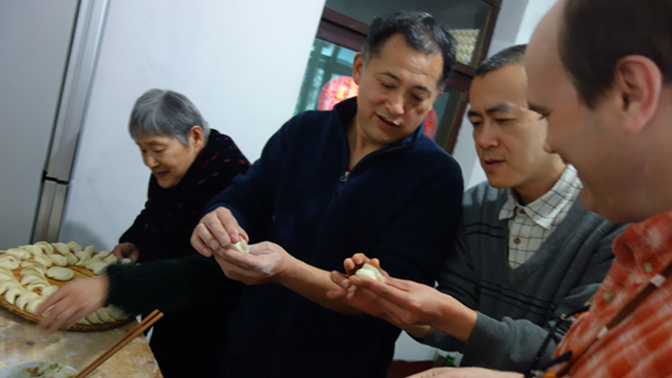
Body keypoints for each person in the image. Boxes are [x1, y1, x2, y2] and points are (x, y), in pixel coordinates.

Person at [39, 11, 464, 378]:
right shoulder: (304, 133)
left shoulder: (435, 178)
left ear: (437, 97)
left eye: (417, 97)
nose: (396, 107)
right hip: (245, 355)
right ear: (359, 67)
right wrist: (219, 214)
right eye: (386, 84)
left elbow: (387, 297)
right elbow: (246, 193)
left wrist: (284, 269)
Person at [404, 0, 672, 377]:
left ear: (632, 93)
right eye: (477, 122)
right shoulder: (645, 247)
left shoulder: (619, 224)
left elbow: (560, 348)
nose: (552, 142)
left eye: (547, 114)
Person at [327, 45, 624, 373]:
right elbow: (454, 327)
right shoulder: (476, 207)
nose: (483, 140)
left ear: (556, 114)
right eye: (477, 122)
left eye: (502, 120)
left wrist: (451, 314)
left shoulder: (615, 222)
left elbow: (571, 349)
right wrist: (391, 302)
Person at [39, 89, 250, 378]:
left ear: (195, 137)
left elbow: (208, 271)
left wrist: (111, 286)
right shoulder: (179, 166)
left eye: (157, 149)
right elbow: (154, 209)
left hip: (208, 329)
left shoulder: (231, 183)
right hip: (167, 308)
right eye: (142, 150)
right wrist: (136, 239)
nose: (149, 162)